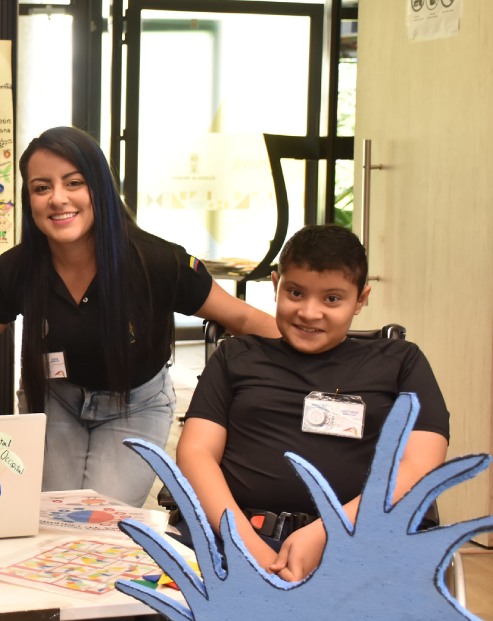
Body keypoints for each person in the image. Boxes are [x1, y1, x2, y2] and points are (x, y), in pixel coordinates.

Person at [0, 126, 276, 507]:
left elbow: (243, 319)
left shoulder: (157, 261)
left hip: (136, 404)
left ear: (100, 188)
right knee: (49, 520)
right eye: (42, 188)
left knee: (98, 523)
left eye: (74, 183)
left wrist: (327, 350)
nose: (58, 199)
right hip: (54, 400)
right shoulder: (17, 270)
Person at [176, 224, 449, 582]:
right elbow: (196, 453)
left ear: (360, 299)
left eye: (331, 299)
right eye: (295, 292)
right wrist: (249, 548)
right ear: (275, 285)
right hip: (235, 536)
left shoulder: (400, 362)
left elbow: (419, 467)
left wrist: (326, 533)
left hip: (363, 540)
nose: (309, 312)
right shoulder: (235, 357)